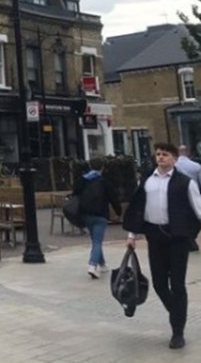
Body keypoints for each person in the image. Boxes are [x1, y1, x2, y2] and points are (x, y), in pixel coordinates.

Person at [124, 142, 201, 349]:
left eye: (165, 154)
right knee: (158, 283)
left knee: (177, 285)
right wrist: (132, 234)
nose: (160, 157)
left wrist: (191, 231)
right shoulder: (147, 180)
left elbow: (198, 209)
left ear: (174, 158)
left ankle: (178, 331)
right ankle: (177, 313)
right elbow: (138, 208)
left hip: (177, 238)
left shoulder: (185, 182)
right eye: (158, 154)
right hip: (154, 236)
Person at [74, 157, 121, 279]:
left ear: (90, 166)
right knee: (97, 241)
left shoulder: (82, 180)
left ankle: (102, 264)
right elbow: (113, 198)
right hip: (101, 214)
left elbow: (75, 194)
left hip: (86, 214)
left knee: (95, 240)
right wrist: (118, 212)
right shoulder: (105, 182)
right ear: (103, 168)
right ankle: (92, 265)